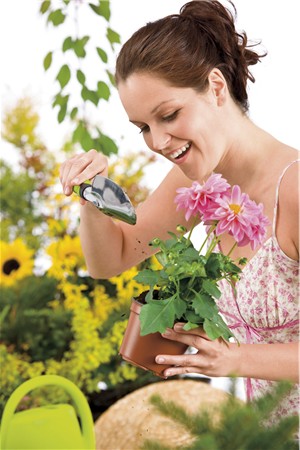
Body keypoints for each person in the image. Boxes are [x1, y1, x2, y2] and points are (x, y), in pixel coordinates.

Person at [60, 0, 299, 424]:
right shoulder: (198, 182)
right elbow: (110, 259)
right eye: (144, 127)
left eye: (168, 115)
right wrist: (91, 196)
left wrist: (234, 359)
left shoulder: (293, 190)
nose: (156, 141)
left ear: (216, 87)